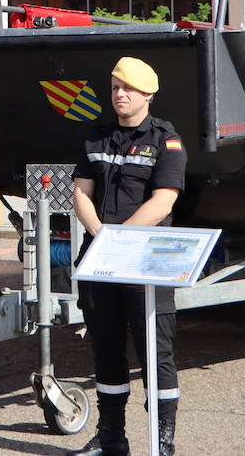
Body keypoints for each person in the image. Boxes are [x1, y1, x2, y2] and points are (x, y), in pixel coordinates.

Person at [68, 57, 187, 456]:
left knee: (157, 351)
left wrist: (120, 237)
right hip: (100, 256)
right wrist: (102, 235)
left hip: (145, 261)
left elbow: (164, 200)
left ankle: (162, 441)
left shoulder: (166, 140)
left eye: (129, 89)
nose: (120, 94)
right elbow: (81, 193)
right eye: (116, 87)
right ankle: (111, 438)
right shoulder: (96, 137)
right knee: (106, 348)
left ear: (148, 95)